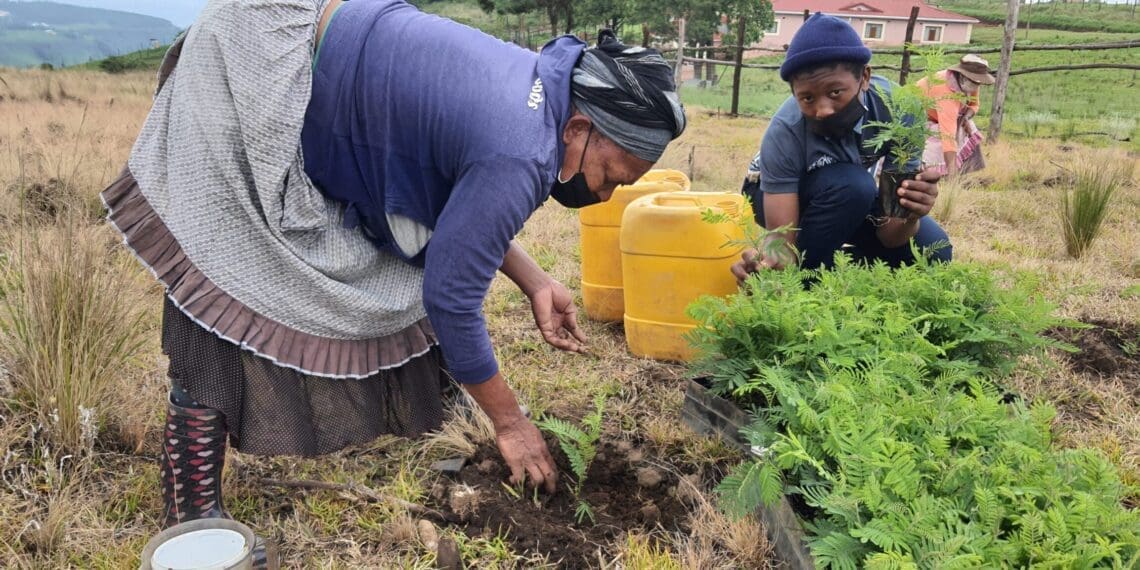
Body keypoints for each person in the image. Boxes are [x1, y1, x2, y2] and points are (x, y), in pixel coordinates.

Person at [100, 0, 685, 558]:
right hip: (255, 70)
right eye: (611, 174)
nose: (604, 194)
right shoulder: (523, 150)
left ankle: (448, 430)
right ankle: (191, 509)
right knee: (227, 282)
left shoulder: (539, 94)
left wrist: (533, 279)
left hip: (304, 54)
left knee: (411, 267)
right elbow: (453, 298)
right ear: (579, 128)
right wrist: (512, 424)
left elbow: (464, 214)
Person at [733, 13, 951, 283]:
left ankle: (842, 276)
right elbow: (783, 242)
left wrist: (910, 215)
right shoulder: (785, 131)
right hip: (773, 191)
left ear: (865, 77)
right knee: (853, 187)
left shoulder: (902, 113)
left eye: (835, 92)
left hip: (847, 193)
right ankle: (807, 285)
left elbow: (890, 235)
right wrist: (770, 265)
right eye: (807, 98)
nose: (822, 110)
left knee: (933, 247)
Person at [917, 54, 994, 177]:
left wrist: (966, 117)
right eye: (973, 80)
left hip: (945, 117)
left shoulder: (972, 83)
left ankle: (966, 172)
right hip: (920, 120)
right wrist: (952, 175)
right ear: (962, 76)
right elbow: (947, 136)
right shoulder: (945, 92)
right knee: (938, 139)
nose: (976, 85)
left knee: (968, 126)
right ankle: (944, 175)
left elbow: (974, 105)